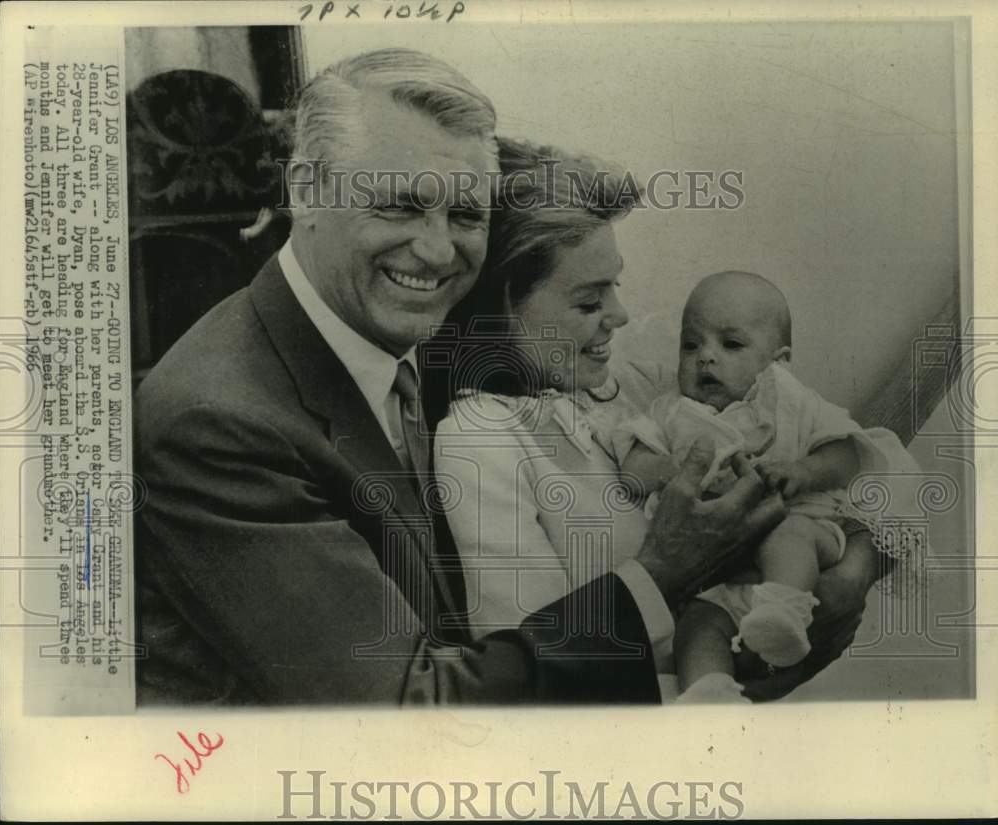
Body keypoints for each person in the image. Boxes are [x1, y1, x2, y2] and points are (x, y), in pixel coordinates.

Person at [135, 48, 781, 705]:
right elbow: (406, 710)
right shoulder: (216, 420)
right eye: (398, 205)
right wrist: (663, 571)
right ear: (307, 190)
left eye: (466, 215)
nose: (440, 251)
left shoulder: (414, 331)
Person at [434, 140, 885, 702]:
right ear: (504, 303)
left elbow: (869, 457)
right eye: (589, 301)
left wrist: (857, 567)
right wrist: (671, 568)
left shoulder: (625, 385)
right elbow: (527, 674)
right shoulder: (479, 438)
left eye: (615, 288)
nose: (619, 317)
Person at [611, 271, 920, 701]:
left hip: (804, 538)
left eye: (731, 344)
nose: (705, 358)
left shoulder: (793, 400)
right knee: (698, 624)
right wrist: (671, 466)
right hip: (719, 575)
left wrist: (803, 472)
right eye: (691, 344)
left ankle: (783, 611)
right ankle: (709, 696)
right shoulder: (671, 410)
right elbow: (632, 468)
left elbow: (849, 452)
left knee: (787, 535)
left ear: (777, 362)